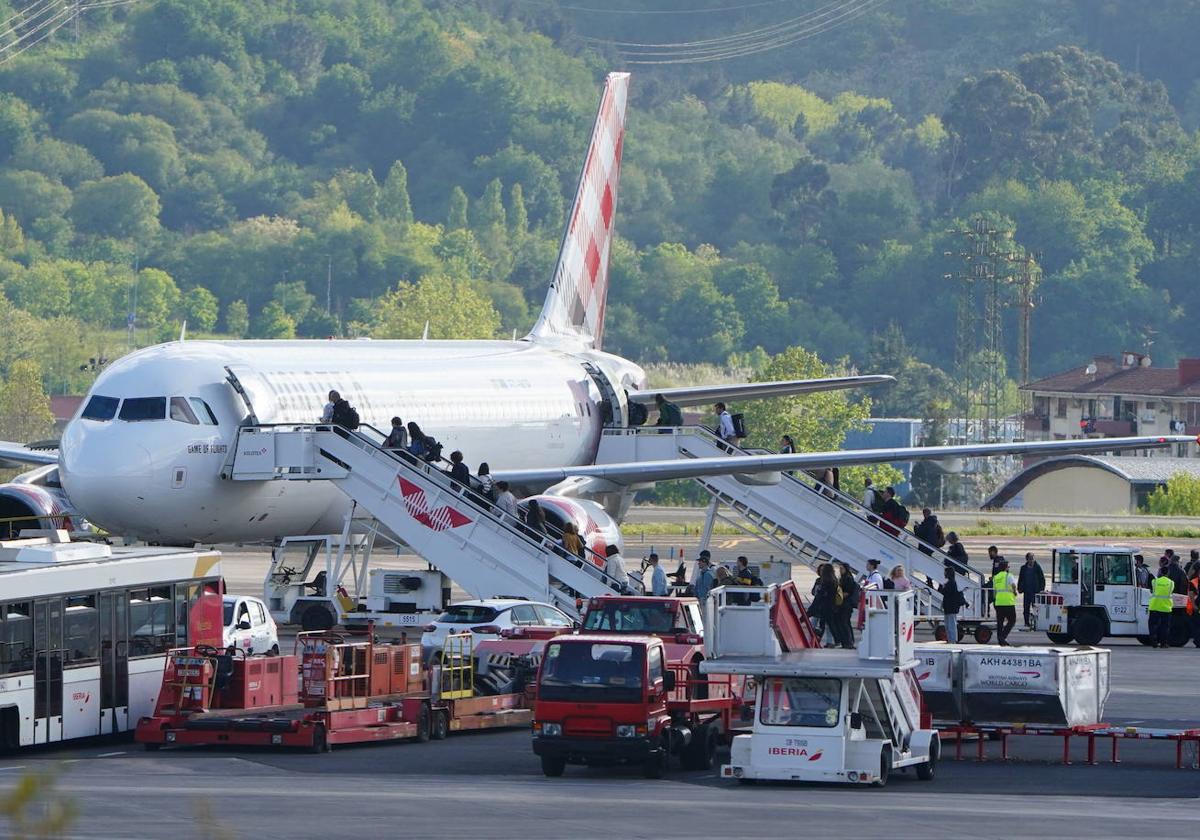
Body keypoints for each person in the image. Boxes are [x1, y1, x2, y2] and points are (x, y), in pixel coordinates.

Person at [809, 564, 842, 646]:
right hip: (829, 607)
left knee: (822, 625)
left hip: (823, 607)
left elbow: (820, 595)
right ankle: (832, 641)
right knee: (826, 625)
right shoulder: (834, 580)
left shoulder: (826, 582)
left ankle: (816, 641)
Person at [929, 567, 964, 643]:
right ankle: (951, 639)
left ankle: (953, 640)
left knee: (951, 625)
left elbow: (945, 592)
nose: (944, 574)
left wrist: (943, 587)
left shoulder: (951, 583)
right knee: (949, 625)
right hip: (949, 607)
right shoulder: (951, 582)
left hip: (951, 607)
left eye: (945, 572)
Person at [1017, 552, 1046, 629]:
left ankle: (1037, 623)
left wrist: (1041, 590)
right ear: (1027, 559)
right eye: (1030, 559)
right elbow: (1020, 579)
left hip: (1035, 592)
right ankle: (1026, 622)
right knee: (1026, 608)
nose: (1032, 560)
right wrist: (1019, 588)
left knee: (1036, 608)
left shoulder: (1037, 567)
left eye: (1033, 558)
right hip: (1026, 591)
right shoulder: (1023, 568)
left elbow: (1042, 579)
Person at [992, 559, 1018, 646]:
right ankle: (1003, 636)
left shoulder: (996, 577)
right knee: (1012, 620)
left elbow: (994, 591)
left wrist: (995, 600)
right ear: (1006, 568)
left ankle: (1000, 640)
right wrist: (1015, 592)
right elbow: (1013, 585)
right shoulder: (1009, 576)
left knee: (1000, 622)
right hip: (1008, 602)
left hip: (999, 602)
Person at [1149, 567, 1175, 648]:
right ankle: (1163, 643)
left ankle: (1154, 641)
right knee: (1165, 627)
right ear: (1168, 573)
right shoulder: (1171, 583)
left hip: (1154, 606)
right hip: (1166, 608)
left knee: (1153, 625)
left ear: (1160, 572)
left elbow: (1152, 590)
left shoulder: (1154, 581)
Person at [835, 564, 859, 649]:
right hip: (843, 604)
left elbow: (847, 592)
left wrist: (837, 597)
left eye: (842, 569)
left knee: (844, 623)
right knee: (844, 623)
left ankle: (848, 642)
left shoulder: (848, 579)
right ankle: (846, 642)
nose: (840, 570)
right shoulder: (842, 578)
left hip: (846, 604)